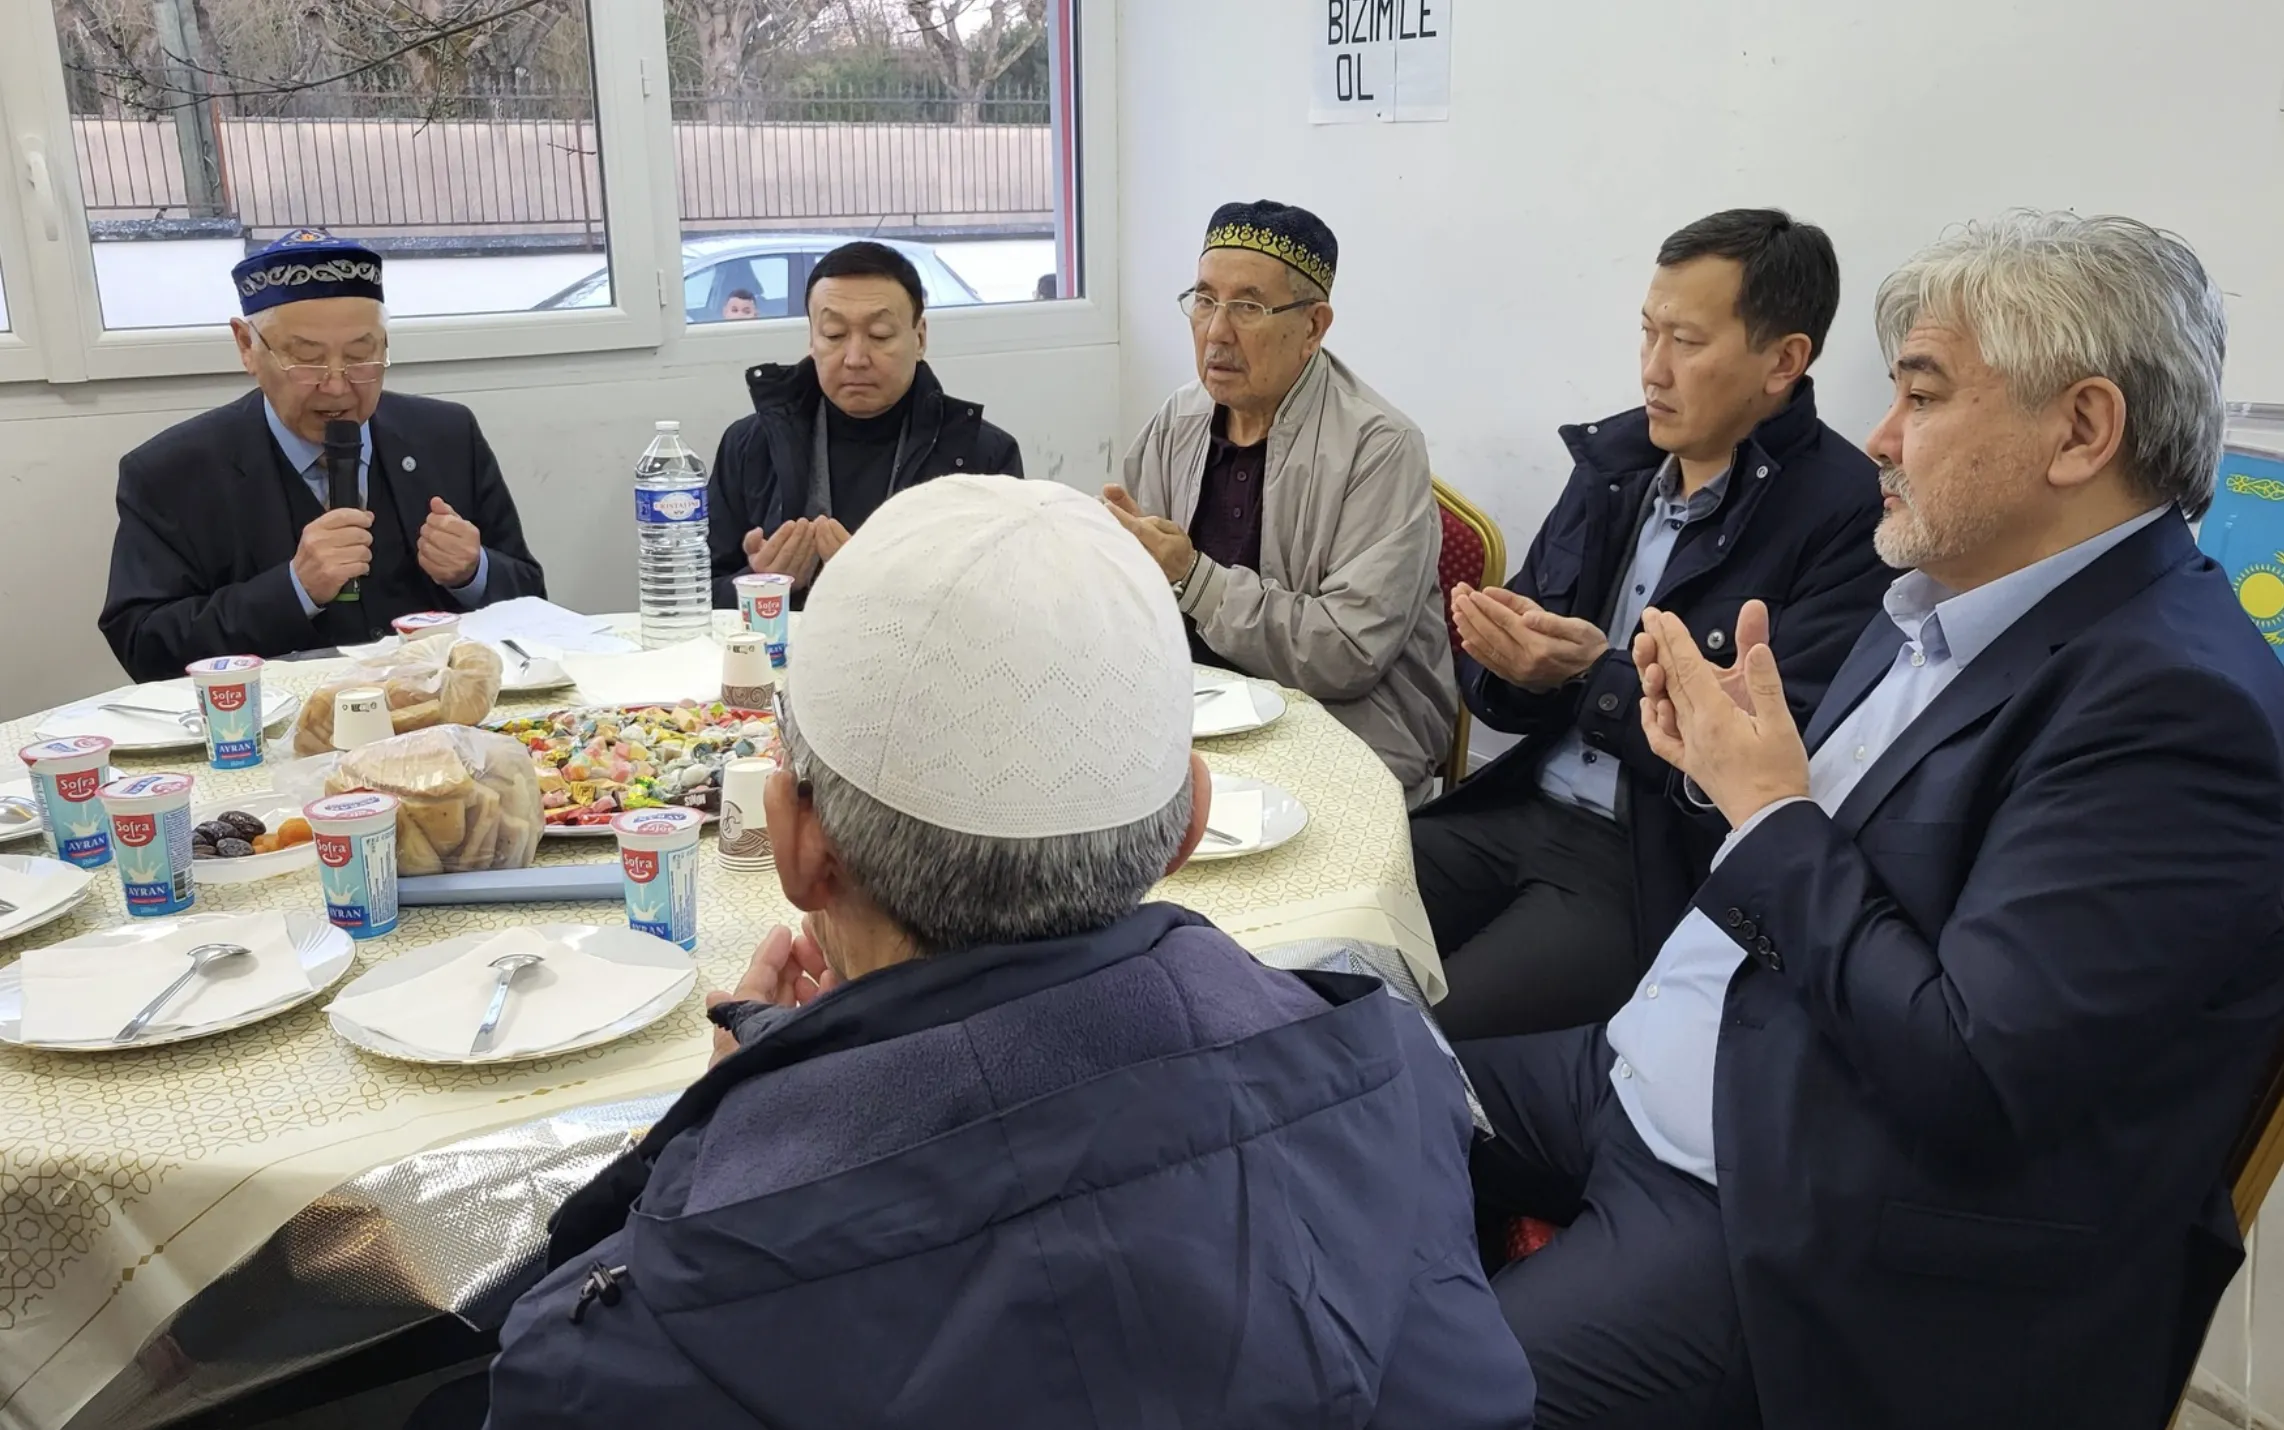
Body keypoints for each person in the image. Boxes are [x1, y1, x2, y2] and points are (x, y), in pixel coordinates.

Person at [1459, 212, 2284, 1430]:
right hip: (1652, 1071)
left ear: (2081, 430)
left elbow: (1969, 1071)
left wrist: (1765, 805)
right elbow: (1839, 858)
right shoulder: (1945, 597)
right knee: (1338, 1089)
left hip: (1787, 1210)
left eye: (1922, 394)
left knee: (1430, 1393)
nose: (1881, 437)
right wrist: (1715, 765)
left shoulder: (2176, 707)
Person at [486, 476, 1537, 1428]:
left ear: (798, 846)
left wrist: (716, 1133)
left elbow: (547, 1363)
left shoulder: (690, 1293)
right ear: (1188, 822)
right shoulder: (1396, 1076)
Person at [1410, 210, 1887, 1040]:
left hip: (1643, 864)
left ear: (1784, 361)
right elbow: (1499, 681)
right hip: (1517, 804)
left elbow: (1780, 764)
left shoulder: (1848, 514)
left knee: (1430, 1039)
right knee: (1315, 929)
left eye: (1687, 342)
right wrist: (1508, 664)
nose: (1653, 370)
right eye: (1647, 332)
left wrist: (1588, 678)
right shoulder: (1618, 464)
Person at [1112, 201, 1456, 806]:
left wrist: (1193, 577)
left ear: (1314, 327)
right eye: (1204, 300)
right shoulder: (1178, 420)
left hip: (1349, 727)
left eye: (1248, 307)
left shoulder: (1380, 447)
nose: (1217, 332)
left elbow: (1347, 654)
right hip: (1198, 718)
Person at [98, 230, 546, 681]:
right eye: (307, 359)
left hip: (436, 710)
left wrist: (473, 572)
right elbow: (143, 645)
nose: (336, 386)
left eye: (360, 355)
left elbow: (533, 597)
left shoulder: (446, 435)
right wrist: (295, 589)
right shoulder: (172, 473)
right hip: (279, 718)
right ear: (247, 346)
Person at [706, 241, 1023, 609]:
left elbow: (1009, 606)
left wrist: (883, 589)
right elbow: (694, 594)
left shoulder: (981, 456)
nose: (855, 358)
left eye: (880, 335)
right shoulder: (751, 445)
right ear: (812, 339)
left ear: (919, 338)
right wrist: (756, 586)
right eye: (834, 335)